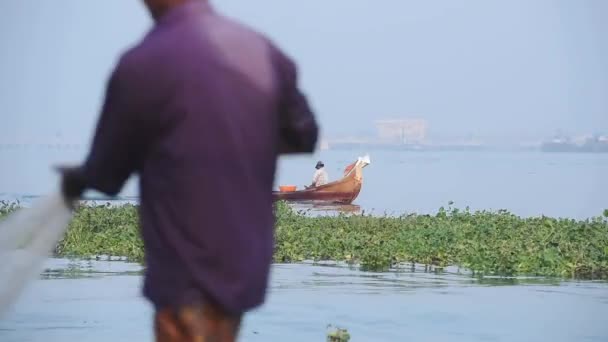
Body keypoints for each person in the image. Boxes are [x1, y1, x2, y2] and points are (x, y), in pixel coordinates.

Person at [57, 0, 319, 341]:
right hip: (245, 264)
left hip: (185, 267)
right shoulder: (260, 50)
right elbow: (303, 136)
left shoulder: (143, 63)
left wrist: (75, 179)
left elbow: (107, 175)